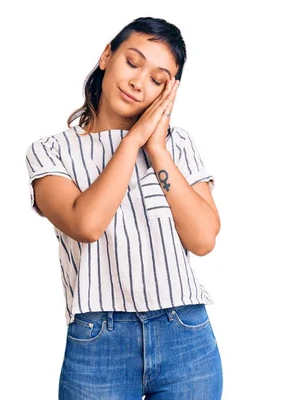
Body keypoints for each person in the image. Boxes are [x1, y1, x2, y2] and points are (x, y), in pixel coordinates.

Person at [24, 17, 223, 399]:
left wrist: (157, 148)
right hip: (99, 342)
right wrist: (133, 142)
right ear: (106, 56)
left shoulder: (177, 146)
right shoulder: (50, 151)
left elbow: (203, 239)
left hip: (186, 334)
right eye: (133, 63)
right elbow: (87, 223)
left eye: (157, 80)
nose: (138, 82)